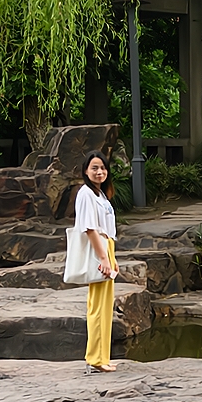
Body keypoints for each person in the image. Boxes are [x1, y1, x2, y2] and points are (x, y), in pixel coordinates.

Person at [75, 151, 121, 371]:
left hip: (106, 248)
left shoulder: (100, 194)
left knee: (105, 306)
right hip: (98, 249)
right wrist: (103, 257)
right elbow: (89, 228)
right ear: (86, 170)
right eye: (94, 168)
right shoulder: (85, 193)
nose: (99, 172)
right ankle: (95, 358)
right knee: (97, 306)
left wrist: (113, 257)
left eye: (102, 168)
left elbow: (107, 230)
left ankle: (102, 357)